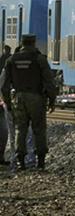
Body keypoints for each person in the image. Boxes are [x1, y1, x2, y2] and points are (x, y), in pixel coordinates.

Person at [1, 34, 56, 170]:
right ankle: (41, 162)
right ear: (34, 43)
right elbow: (49, 81)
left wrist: (8, 103)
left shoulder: (11, 60)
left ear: (21, 43)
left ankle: (21, 162)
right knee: (39, 129)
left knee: (20, 129)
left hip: (18, 99)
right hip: (36, 98)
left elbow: (4, 86)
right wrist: (52, 99)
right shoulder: (40, 59)